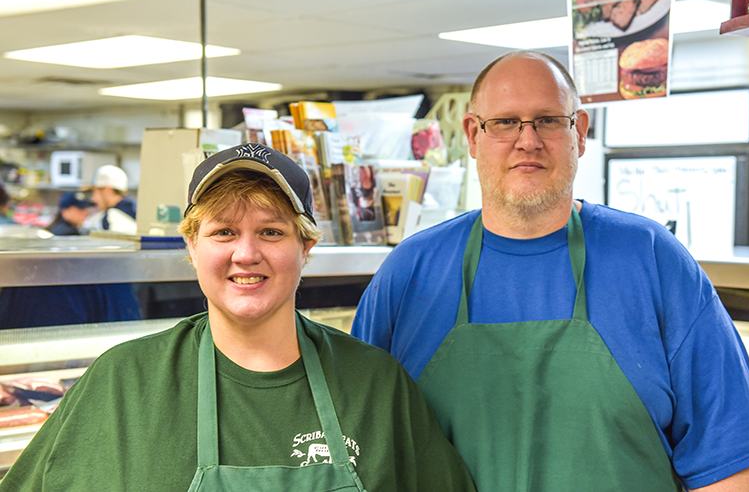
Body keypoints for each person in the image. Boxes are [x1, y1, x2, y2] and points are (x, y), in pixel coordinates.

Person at [351, 50, 749, 491]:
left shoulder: (652, 259)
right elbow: (356, 450)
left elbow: (732, 463)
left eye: (549, 121)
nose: (528, 140)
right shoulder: (409, 272)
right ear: (473, 135)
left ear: (581, 133)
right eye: (505, 122)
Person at [0, 143, 476, 491]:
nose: (245, 254)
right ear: (191, 246)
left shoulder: (375, 386)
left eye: (270, 231)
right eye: (223, 231)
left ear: (305, 247)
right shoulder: (122, 383)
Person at [82, 164, 137, 234]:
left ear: (107, 190)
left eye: (95, 192)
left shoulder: (113, 216)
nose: (93, 199)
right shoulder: (136, 210)